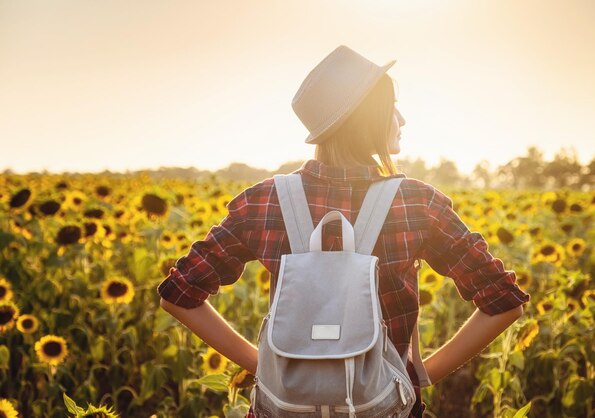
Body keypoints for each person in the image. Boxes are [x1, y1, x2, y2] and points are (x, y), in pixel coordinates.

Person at [157, 45, 531, 418]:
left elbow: (178, 295)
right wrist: (419, 375)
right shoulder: (416, 204)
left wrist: (262, 367)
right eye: (391, 106)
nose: (401, 118)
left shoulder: (265, 202)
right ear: (366, 117)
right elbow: (504, 302)